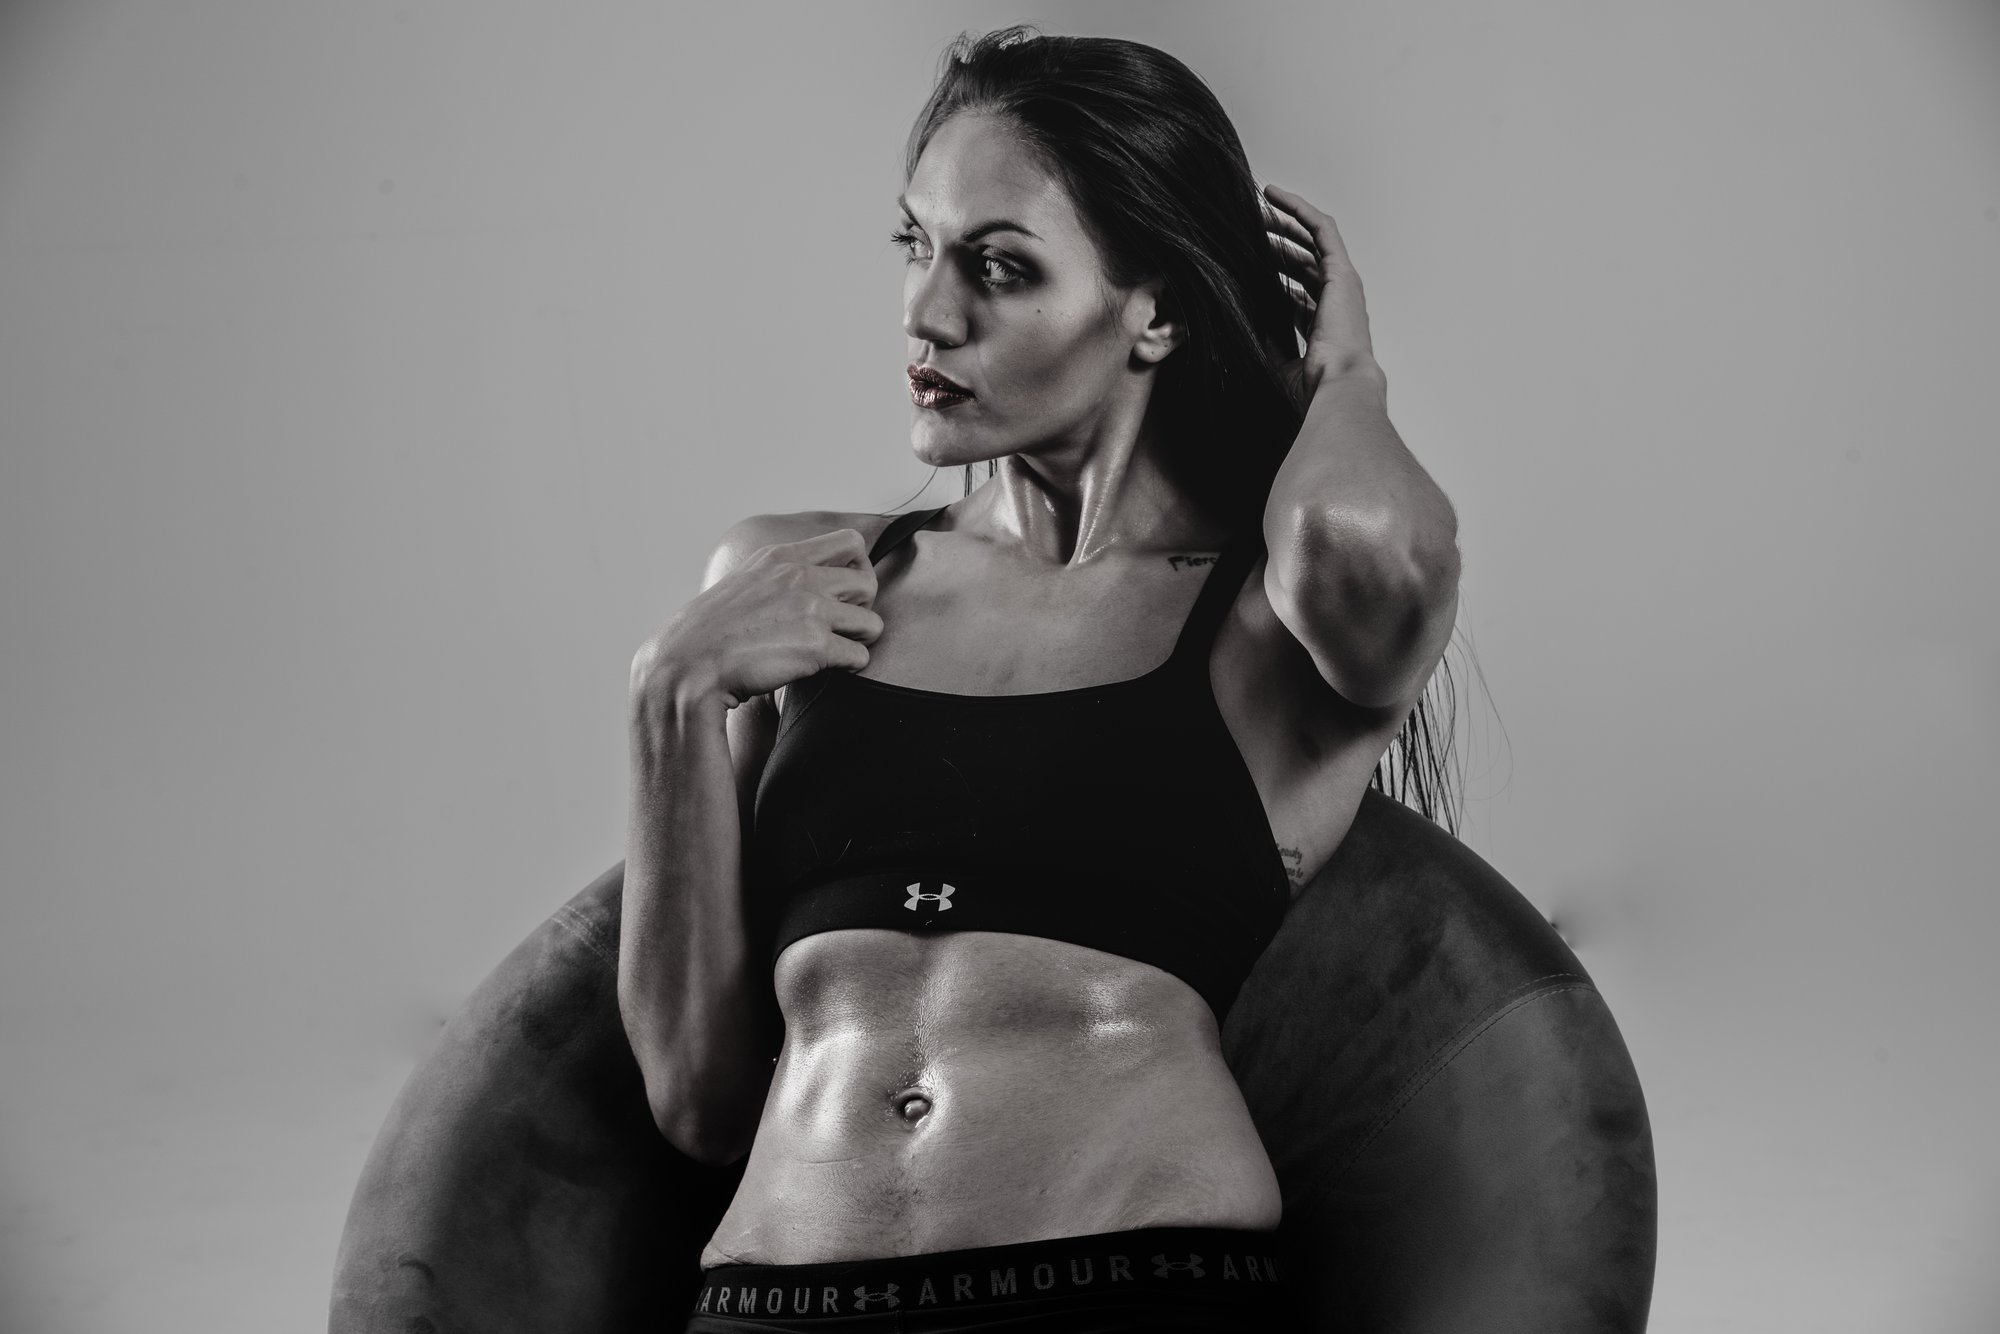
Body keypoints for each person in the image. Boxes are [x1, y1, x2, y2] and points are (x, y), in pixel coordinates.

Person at [622, 26, 1463, 1333]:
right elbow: (699, 1098)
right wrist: (669, 694)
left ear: (1157, 312)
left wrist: (1347, 376)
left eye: (999, 268)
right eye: (917, 245)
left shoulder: (1262, 628)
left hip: (1124, 1291)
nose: (925, 312)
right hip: (771, 1301)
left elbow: (1366, 542)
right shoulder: (807, 583)